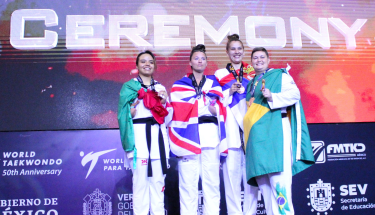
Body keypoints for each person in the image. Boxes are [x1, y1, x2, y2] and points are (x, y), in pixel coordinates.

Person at [243, 47, 315, 215]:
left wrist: (272, 97)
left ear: (268, 60)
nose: (258, 60)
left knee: (279, 187)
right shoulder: (252, 83)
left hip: (275, 135)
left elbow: (295, 95)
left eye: (262, 57)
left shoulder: (279, 75)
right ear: (251, 62)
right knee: (265, 191)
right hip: (256, 139)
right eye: (255, 58)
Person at [169, 44, 227, 215]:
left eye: (203, 58)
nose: (200, 61)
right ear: (190, 62)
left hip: (210, 136)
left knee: (212, 185)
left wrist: (202, 104)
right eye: (196, 58)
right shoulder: (180, 85)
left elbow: (218, 109)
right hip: (188, 138)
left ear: (206, 62)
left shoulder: (214, 83)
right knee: (188, 185)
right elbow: (178, 110)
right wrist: (204, 102)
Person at [117, 50, 172, 215]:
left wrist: (162, 103)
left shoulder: (160, 87)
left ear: (154, 65)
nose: (147, 64)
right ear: (137, 65)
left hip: (158, 138)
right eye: (143, 61)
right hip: (139, 139)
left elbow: (167, 118)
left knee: (158, 184)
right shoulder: (129, 87)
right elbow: (125, 115)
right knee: (140, 184)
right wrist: (136, 103)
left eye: (150, 62)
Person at [214, 34, 259, 215]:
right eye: (232, 49)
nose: (236, 52)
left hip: (250, 129)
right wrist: (229, 93)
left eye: (239, 48)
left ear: (243, 51)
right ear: (227, 52)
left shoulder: (253, 72)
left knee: (251, 178)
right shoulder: (219, 74)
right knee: (231, 179)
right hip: (231, 131)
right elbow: (215, 103)